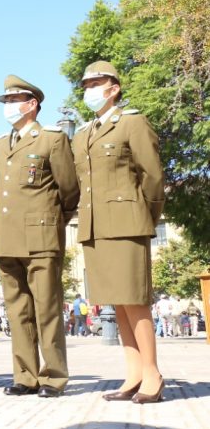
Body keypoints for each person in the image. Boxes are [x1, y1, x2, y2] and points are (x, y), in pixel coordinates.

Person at [73, 60, 166, 404]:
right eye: (86, 85)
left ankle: (153, 372)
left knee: (134, 299)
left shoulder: (132, 123)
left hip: (127, 222)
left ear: (114, 88)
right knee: (117, 302)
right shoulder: (83, 134)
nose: (90, 90)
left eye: (96, 83)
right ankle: (134, 373)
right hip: (96, 227)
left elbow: (153, 175)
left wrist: (145, 215)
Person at [0, 76, 79, 398]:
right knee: (17, 311)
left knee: (47, 309)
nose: (9, 107)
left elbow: (69, 190)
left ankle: (53, 377)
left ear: (32, 104)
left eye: (15, 101)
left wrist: (54, 222)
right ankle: (25, 376)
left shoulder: (52, 140)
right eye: (6, 102)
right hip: (7, 238)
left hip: (41, 237)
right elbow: (2, 192)